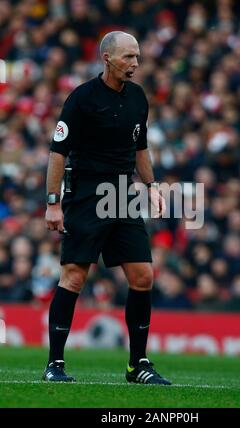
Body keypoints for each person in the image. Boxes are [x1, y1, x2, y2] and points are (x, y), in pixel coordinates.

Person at [43, 31, 171, 385]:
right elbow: (58, 153)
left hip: (122, 194)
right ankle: (55, 363)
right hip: (85, 193)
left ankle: (137, 364)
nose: (135, 64)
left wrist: (152, 187)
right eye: (128, 57)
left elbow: (140, 149)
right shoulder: (82, 99)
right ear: (107, 58)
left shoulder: (138, 98)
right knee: (74, 276)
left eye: (138, 57)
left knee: (143, 276)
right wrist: (53, 204)